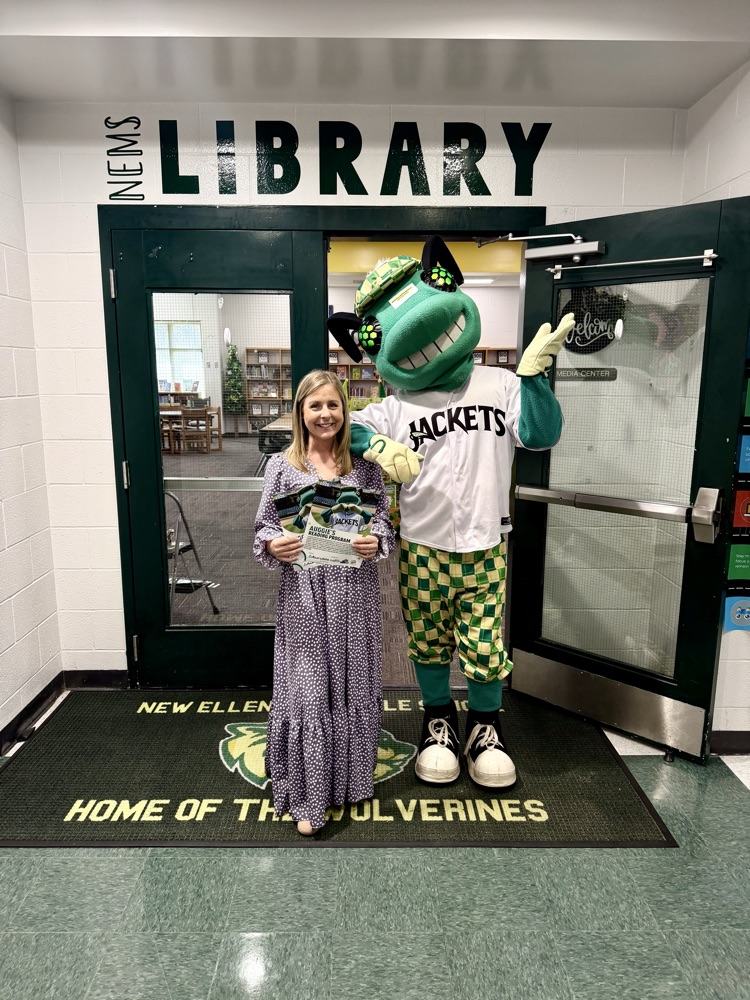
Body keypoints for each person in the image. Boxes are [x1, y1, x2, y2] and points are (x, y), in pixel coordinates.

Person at [327, 236, 575, 790]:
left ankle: (486, 727)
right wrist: (375, 445)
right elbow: (346, 427)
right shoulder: (396, 405)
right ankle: (437, 722)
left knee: (485, 645)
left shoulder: (500, 383)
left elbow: (541, 434)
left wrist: (534, 379)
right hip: (422, 544)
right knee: (429, 640)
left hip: (486, 544)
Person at [254, 370, 395, 835]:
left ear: (344, 411)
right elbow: (264, 527)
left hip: (355, 597)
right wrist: (273, 544)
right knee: (309, 691)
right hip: (305, 599)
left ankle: (349, 783)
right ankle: (309, 796)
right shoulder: (281, 467)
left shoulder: (366, 468)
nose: (325, 414)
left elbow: (384, 523)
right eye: (315, 405)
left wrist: (376, 540)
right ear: (301, 412)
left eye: (333, 405)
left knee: (352, 687)